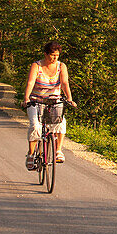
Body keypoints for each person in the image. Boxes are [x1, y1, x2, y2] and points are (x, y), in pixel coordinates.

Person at [21, 41, 76, 170]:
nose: (54, 58)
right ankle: (31, 154)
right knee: (35, 126)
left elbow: (64, 83)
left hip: (54, 100)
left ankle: (58, 151)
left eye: (57, 55)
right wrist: (26, 98)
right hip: (36, 100)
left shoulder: (61, 66)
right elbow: (30, 82)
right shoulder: (37, 66)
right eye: (52, 55)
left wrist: (69, 98)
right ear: (45, 54)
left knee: (61, 122)